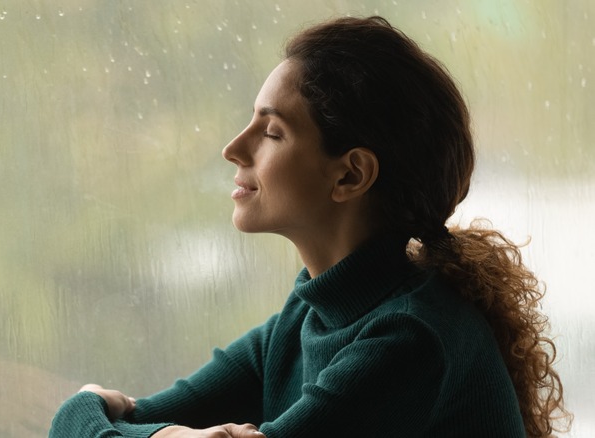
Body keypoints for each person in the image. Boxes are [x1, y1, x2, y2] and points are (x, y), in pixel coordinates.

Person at [49, 16, 569, 437]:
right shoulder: (307, 315)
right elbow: (98, 423)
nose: (233, 148)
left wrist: (90, 413)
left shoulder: (412, 339)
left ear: (350, 174)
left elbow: (95, 424)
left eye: (271, 130)